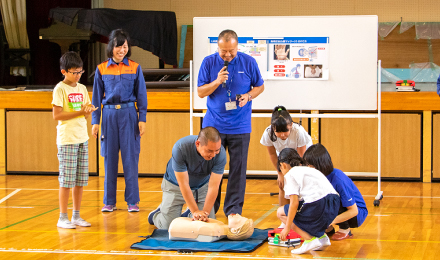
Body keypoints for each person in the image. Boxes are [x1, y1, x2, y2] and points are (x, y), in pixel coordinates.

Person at [197, 29, 265, 217]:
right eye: (223, 51)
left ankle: (233, 210)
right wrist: (217, 81)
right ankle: (209, 208)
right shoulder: (208, 62)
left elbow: (260, 86)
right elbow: (201, 92)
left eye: (231, 51)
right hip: (213, 127)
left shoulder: (248, 62)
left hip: (240, 126)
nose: (227, 55)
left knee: (238, 169)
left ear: (237, 47)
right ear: (218, 47)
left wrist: (249, 96)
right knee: (210, 168)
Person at [91, 29, 148, 212]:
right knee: (109, 158)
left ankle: (133, 201)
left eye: (124, 46)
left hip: (129, 114)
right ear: (111, 47)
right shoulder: (101, 69)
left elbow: (141, 95)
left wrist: (142, 118)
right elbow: (96, 98)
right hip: (108, 116)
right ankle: (109, 201)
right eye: (118, 46)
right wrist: (95, 121)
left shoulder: (135, 67)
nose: (121, 50)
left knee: (130, 158)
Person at [148, 127, 230, 229]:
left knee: (205, 225)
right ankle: (157, 215)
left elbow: (214, 186)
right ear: (198, 144)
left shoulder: (220, 154)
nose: (213, 155)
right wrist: (195, 211)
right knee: (167, 226)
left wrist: (205, 214)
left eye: (216, 150)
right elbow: (184, 184)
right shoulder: (180, 148)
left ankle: (189, 212)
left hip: (201, 186)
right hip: (175, 185)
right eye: (209, 151)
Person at [52, 51, 98, 229]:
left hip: (81, 138)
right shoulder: (60, 89)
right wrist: (81, 112)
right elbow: (57, 115)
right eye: (74, 72)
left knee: (80, 180)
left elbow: (84, 112)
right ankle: (62, 217)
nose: (78, 76)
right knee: (66, 180)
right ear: (64, 72)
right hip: (67, 139)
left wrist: (88, 111)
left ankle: (76, 215)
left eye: (80, 72)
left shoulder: (81, 88)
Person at [276, 148, 339, 254]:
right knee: (304, 212)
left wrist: (287, 227)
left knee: (281, 212)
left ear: (283, 165)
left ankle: (309, 240)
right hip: (334, 203)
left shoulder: (290, 174)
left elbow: (294, 203)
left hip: (318, 205)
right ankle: (322, 238)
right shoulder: (308, 169)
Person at [260, 105, 313, 228]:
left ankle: (304, 218)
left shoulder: (298, 131)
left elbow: (301, 157)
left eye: (286, 131)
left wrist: (293, 176)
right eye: (279, 132)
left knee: (300, 184)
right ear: (273, 129)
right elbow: (272, 154)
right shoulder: (268, 133)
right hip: (284, 155)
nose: (283, 135)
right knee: (283, 184)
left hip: (303, 156)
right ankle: (284, 220)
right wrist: (280, 173)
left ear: (291, 126)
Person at [303, 143, 368, 240]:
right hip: (340, 210)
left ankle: (345, 228)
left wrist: (327, 221)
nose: (308, 168)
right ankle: (328, 229)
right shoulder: (317, 177)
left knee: (331, 199)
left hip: (357, 213)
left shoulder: (338, 179)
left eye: (310, 165)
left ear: (319, 164)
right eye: (307, 165)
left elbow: (354, 211)